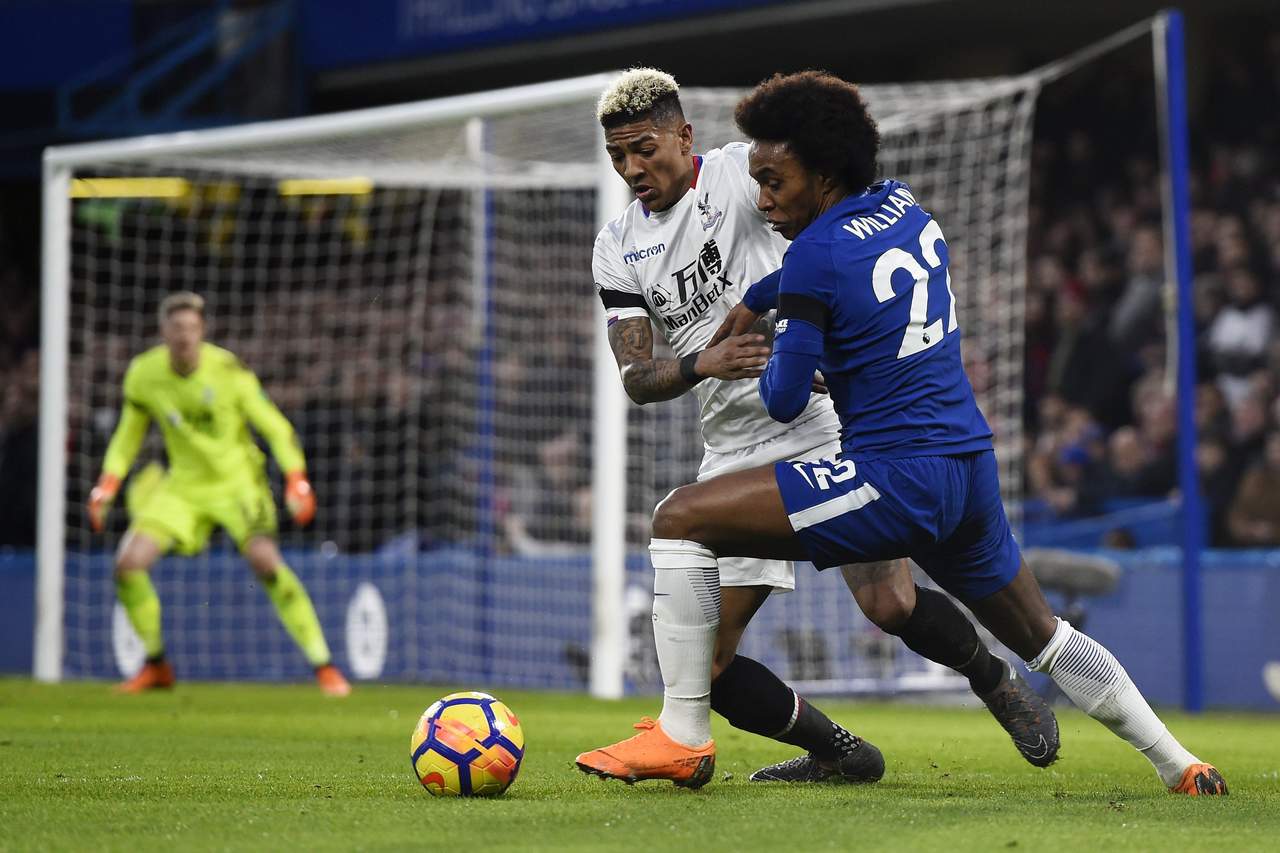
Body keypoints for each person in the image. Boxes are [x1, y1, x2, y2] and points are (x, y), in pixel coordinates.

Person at [588, 70, 1227, 796]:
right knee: (1040, 633)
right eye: (617, 156)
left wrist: (786, 345)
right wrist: (730, 336)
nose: (764, 199)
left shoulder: (753, 182)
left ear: (684, 136)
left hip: (859, 449)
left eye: (775, 184)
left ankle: (684, 735)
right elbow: (640, 374)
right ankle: (1179, 762)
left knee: (686, 525)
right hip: (955, 458)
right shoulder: (902, 204)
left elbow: (788, 389)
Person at [88, 292, 351, 697]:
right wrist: (107, 485)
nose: (184, 336)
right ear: (164, 332)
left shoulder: (228, 370)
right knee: (128, 565)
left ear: (203, 331)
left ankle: (324, 666)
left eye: (192, 328)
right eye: (177, 328)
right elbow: (128, 436)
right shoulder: (144, 374)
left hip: (238, 484)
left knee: (265, 562)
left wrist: (296, 478)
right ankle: (156, 665)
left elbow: (275, 426)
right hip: (183, 486)